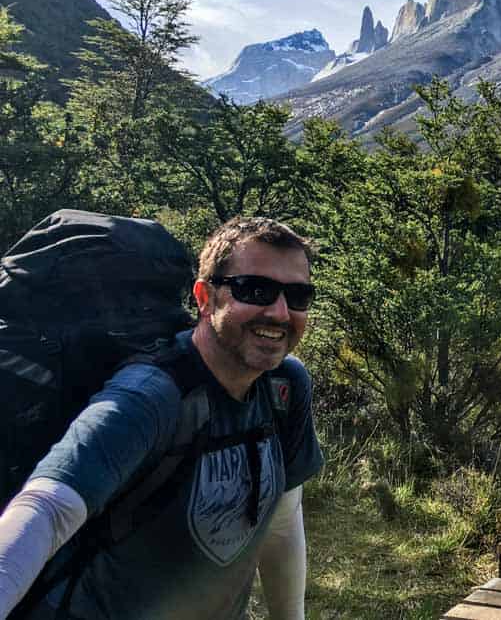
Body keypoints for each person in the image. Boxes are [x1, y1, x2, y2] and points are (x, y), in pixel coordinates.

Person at [0, 217, 324, 619]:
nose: (279, 312)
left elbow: (280, 519)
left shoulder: (284, 386)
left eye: (298, 296)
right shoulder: (151, 394)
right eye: (255, 290)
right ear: (205, 298)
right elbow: (48, 506)